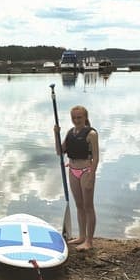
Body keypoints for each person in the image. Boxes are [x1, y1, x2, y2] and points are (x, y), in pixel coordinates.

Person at [54, 105, 99, 250]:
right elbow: (59, 151)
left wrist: (91, 176)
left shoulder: (91, 134)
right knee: (79, 206)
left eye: (79, 117)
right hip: (73, 171)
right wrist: (56, 134)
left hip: (86, 171)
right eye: (74, 117)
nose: (76, 120)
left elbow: (96, 157)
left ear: (85, 117)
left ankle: (89, 241)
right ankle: (81, 236)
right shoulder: (70, 132)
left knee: (88, 206)